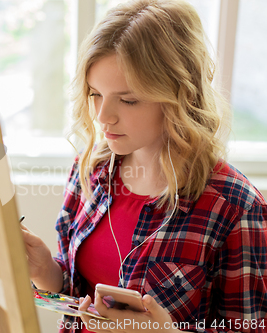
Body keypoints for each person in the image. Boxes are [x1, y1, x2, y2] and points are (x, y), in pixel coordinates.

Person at [20, 0, 267, 332]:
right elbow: (77, 295)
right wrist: (45, 272)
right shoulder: (91, 169)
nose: (102, 116)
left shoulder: (236, 208)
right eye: (95, 94)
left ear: (180, 96)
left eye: (128, 99)